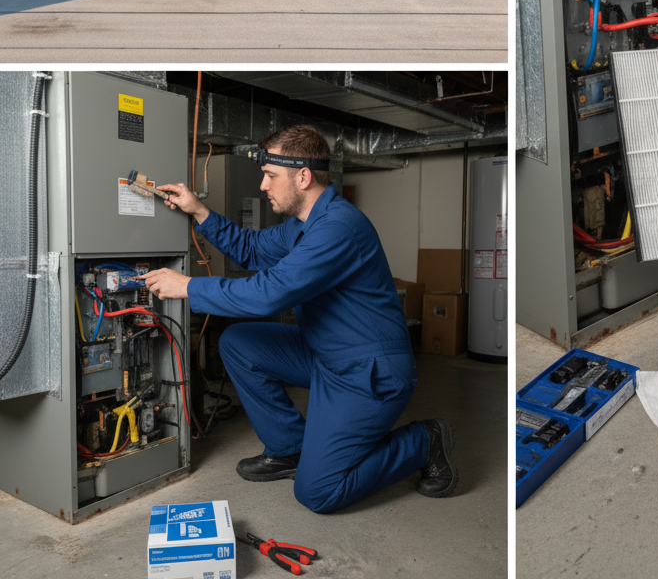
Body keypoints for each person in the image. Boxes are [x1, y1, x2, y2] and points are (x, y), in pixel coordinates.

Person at [141, 124, 457, 511]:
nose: (263, 186)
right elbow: (251, 249)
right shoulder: (304, 226)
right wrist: (200, 212)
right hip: (324, 354)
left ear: (303, 177)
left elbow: (268, 294)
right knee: (239, 343)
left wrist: (189, 287)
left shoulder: (338, 228)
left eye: (270, 175)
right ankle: (289, 448)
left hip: (367, 371)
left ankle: (425, 441)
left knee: (318, 491)